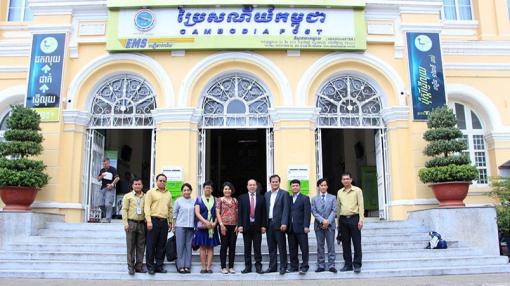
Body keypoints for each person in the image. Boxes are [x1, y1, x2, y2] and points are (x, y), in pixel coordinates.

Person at [144, 173, 173, 275]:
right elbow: (146, 207)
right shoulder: (151, 192)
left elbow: (170, 209)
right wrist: (148, 221)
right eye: (160, 180)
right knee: (151, 245)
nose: (162, 182)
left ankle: (159, 266)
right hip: (153, 221)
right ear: (156, 181)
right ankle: (150, 267)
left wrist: (170, 222)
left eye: (164, 181)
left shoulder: (168, 194)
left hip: (164, 222)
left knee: (162, 245)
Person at [337, 172, 364, 274]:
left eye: (347, 179)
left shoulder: (357, 190)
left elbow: (361, 205)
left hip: (354, 219)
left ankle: (357, 265)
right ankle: (348, 264)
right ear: (341, 181)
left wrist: (361, 220)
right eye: (344, 179)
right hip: (343, 220)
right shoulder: (339, 192)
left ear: (351, 180)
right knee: (345, 244)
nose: (346, 181)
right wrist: (338, 223)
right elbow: (338, 208)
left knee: (357, 243)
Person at [237, 179, 266, 274]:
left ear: (256, 186)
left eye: (254, 185)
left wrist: (263, 226)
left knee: (257, 248)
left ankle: (258, 267)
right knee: (247, 248)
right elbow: (240, 213)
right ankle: (247, 267)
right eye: (250, 185)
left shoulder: (262, 198)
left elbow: (263, 213)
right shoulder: (242, 197)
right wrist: (240, 225)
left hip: (257, 226)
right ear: (247, 186)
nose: (252, 186)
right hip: (246, 226)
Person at [264, 174, 289, 275]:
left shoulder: (284, 194)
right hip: (269, 224)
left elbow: (286, 209)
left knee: (282, 247)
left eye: (276, 181)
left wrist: (284, 223)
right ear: (270, 183)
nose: (275, 183)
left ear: (279, 182)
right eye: (273, 182)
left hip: (279, 225)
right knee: (271, 247)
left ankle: (283, 266)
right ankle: (272, 266)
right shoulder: (266, 194)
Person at [311, 178, 337, 273]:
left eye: (325, 185)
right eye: (321, 185)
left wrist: (328, 221)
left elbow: (334, 210)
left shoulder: (333, 197)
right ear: (318, 187)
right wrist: (322, 221)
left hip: (330, 225)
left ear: (327, 186)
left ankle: (331, 265)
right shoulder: (314, 199)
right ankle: (321, 265)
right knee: (320, 246)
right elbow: (314, 211)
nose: (323, 187)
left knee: (331, 246)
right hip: (319, 226)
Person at [194, 181, 220, 274]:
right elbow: (197, 212)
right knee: (202, 247)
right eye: (206, 188)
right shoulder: (199, 199)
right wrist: (205, 222)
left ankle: (209, 267)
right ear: (203, 189)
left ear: (212, 190)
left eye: (209, 188)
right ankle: (203, 267)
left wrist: (215, 223)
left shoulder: (216, 200)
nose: (208, 189)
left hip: (212, 227)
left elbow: (218, 213)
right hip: (202, 226)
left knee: (210, 247)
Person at [121, 177, 146, 275]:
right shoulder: (128, 196)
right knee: (130, 247)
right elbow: (124, 210)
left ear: (142, 185)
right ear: (132, 185)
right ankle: (131, 267)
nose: (137, 186)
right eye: (135, 184)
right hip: (131, 223)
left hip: (142, 224)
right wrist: (125, 223)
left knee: (141, 247)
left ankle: (139, 266)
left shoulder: (146, 196)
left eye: (139, 184)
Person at [287, 179, 311, 275]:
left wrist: (306, 226)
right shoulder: (288, 198)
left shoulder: (305, 198)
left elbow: (307, 213)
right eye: (293, 186)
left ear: (300, 187)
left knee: (304, 248)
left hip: (301, 228)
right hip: (290, 228)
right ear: (291, 187)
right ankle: (294, 266)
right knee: (292, 248)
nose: (295, 187)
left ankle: (304, 266)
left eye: (297, 185)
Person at [216, 182, 239, 274]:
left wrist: (238, 225)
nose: (227, 190)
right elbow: (217, 213)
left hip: (234, 226)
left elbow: (237, 213)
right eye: (225, 189)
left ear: (231, 190)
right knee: (224, 246)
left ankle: (231, 266)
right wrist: (221, 224)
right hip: (223, 226)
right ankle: (223, 267)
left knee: (232, 246)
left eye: (229, 189)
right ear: (223, 190)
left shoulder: (235, 200)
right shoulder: (220, 200)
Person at [173, 183, 195, 274]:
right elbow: (174, 214)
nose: (186, 192)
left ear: (191, 191)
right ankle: (180, 266)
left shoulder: (194, 201)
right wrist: (174, 226)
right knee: (180, 247)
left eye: (188, 190)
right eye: (184, 190)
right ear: (182, 191)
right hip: (180, 226)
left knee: (188, 247)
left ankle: (187, 266)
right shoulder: (178, 201)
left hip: (190, 226)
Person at [96, 158, 119, 223]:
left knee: (108, 204)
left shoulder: (113, 169)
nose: (104, 165)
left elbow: (117, 178)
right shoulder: (102, 170)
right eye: (103, 164)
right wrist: (101, 176)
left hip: (110, 188)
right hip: (103, 188)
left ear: (109, 163)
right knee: (100, 204)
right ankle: (108, 213)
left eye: (105, 164)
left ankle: (108, 218)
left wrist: (112, 184)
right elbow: (98, 179)